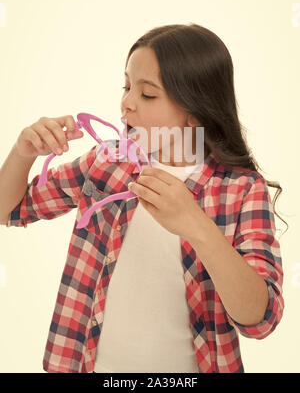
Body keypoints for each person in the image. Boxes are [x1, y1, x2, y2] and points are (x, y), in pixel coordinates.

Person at [0, 23, 286, 373]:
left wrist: (197, 226)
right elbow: (10, 210)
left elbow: (260, 319)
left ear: (195, 109)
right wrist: (22, 152)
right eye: (127, 86)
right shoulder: (106, 162)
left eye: (147, 94)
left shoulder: (241, 189)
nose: (127, 104)